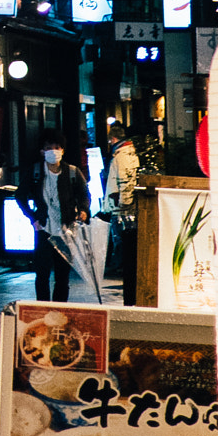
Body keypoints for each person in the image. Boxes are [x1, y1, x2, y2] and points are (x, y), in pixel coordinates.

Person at [18, 130, 91, 302]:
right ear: (42, 151)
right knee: (42, 274)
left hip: (66, 230)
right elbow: (20, 195)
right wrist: (32, 217)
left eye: (57, 147)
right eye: (49, 148)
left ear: (63, 150)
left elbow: (84, 195)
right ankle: (43, 309)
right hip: (44, 229)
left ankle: (59, 310)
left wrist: (83, 210)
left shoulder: (72, 172)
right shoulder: (35, 171)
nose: (53, 151)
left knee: (62, 276)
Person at [104, 118, 142, 303]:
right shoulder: (130, 153)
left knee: (123, 243)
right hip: (126, 207)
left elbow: (124, 182)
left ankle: (120, 267)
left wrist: (122, 204)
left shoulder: (122, 155)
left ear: (113, 138)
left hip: (123, 210)